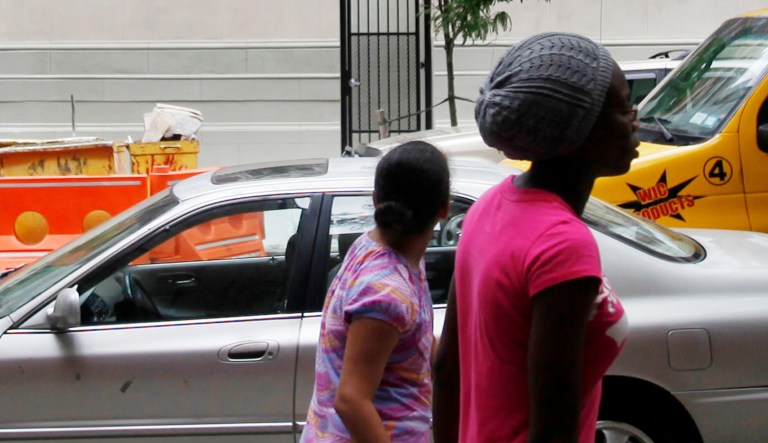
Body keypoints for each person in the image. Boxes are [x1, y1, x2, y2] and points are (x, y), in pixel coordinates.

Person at [433, 32, 637, 443]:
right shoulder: (562, 245)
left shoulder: (489, 207)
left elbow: (446, 369)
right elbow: (553, 431)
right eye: (621, 106)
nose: (635, 116)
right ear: (579, 133)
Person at [302, 141, 450, 443]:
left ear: (375, 200)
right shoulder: (385, 294)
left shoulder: (379, 250)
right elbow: (351, 401)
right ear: (445, 209)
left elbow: (412, 340)